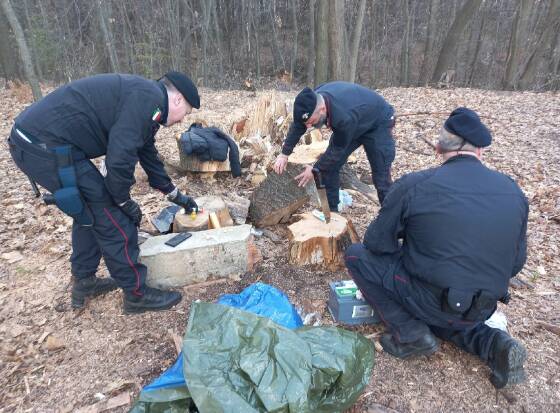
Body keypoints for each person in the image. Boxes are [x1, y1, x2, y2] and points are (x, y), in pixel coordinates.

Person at [344, 108, 528, 388]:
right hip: (482, 306)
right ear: (480, 150)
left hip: (431, 299)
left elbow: (375, 244)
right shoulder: (513, 191)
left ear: (440, 147)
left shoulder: (415, 184)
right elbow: (515, 264)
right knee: (449, 309)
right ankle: (496, 344)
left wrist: (413, 249)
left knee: (356, 256)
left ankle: (410, 332)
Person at [8, 71, 200, 314]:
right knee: (111, 215)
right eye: (188, 112)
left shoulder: (148, 103)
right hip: (44, 145)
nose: (184, 119)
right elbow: (119, 160)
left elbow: (147, 154)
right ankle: (136, 295)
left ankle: (85, 282)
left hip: (38, 142)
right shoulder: (146, 100)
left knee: (89, 209)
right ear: (178, 99)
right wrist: (121, 201)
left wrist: (176, 196)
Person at [273, 82, 395, 210]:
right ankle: (331, 211)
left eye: (312, 122)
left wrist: (315, 169)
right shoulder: (311, 100)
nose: (309, 127)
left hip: (378, 123)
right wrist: (284, 154)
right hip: (356, 118)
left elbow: (336, 151)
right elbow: (299, 125)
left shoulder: (343, 117)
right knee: (329, 168)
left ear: (322, 109)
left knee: (381, 178)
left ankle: (391, 218)